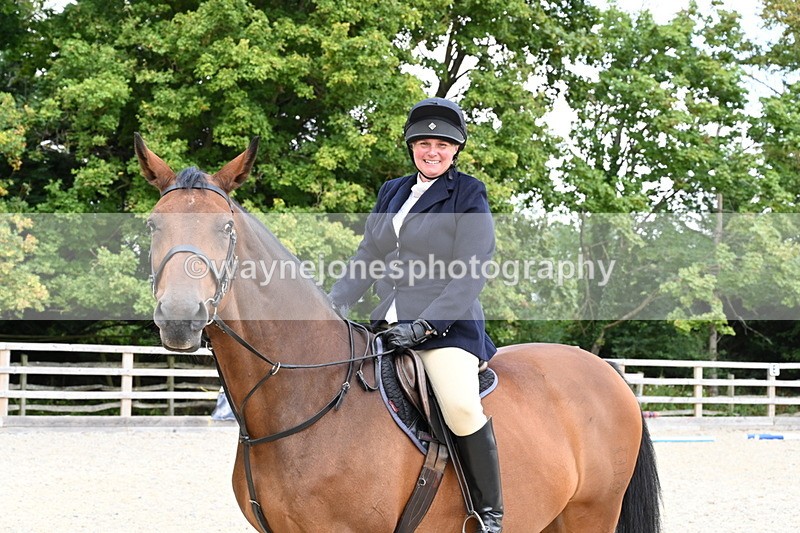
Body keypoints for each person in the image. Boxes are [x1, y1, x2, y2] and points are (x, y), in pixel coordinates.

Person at [329, 97, 503, 532]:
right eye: (424, 143)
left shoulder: (468, 193)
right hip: (386, 320)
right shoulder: (393, 191)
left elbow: (471, 269)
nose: (432, 152)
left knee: (461, 406)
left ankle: (489, 515)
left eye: (442, 145)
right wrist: (336, 300)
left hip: (445, 326)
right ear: (411, 147)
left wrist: (426, 324)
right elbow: (371, 251)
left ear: (456, 149)